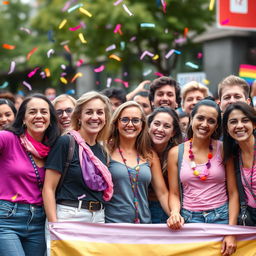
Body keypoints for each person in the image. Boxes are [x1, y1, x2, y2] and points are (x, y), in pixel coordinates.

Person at [42, 91, 113, 254]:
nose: (95, 117)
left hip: (98, 218)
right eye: (89, 112)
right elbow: (48, 189)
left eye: (100, 112)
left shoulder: (103, 151)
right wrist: (55, 226)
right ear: (79, 116)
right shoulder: (66, 142)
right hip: (69, 217)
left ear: (106, 117)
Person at [167, 99, 239, 256]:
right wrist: (174, 213)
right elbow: (173, 193)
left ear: (216, 126)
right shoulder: (175, 153)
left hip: (222, 217)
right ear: (191, 118)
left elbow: (233, 193)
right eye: (200, 118)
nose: (205, 124)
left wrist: (231, 231)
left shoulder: (224, 149)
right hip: (189, 219)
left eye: (211, 121)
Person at [0, 94, 59, 256]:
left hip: (39, 222)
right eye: (32, 112)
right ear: (23, 119)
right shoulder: (7, 138)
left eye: (44, 112)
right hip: (7, 218)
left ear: (50, 118)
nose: (39, 116)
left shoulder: (55, 146)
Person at [105, 101, 170, 223]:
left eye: (135, 120)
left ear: (142, 124)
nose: (130, 124)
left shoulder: (149, 155)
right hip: (112, 225)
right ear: (116, 123)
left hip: (143, 226)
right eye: (124, 120)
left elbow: (162, 193)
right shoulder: (106, 151)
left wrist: (174, 215)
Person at [223, 102, 256, 226]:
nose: (239, 126)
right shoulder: (232, 156)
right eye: (233, 122)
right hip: (249, 219)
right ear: (226, 128)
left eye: (245, 120)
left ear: (254, 124)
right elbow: (233, 194)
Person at [148, 107, 182, 223]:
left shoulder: (179, 152)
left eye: (167, 126)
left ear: (173, 132)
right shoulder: (139, 149)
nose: (160, 129)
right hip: (144, 208)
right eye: (156, 124)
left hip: (174, 207)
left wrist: (176, 216)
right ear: (149, 126)